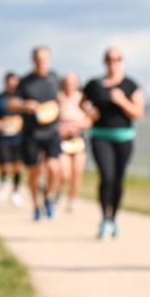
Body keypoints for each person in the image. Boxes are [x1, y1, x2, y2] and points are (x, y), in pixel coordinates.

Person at [81, 46, 143, 238]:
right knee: (106, 176)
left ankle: (113, 218)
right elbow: (81, 102)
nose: (113, 62)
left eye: (117, 59)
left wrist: (122, 101)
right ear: (104, 61)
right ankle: (104, 218)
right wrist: (89, 111)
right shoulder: (94, 84)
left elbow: (138, 113)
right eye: (110, 59)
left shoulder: (130, 85)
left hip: (124, 137)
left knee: (118, 179)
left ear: (122, 61)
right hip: (100, 136)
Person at [10, 46, 62, 221]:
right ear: (33, 60)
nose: (41, 61)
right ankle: (36, 205)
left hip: (52, 131)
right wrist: (26, 105)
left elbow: (63, 100)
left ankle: (48, 197)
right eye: (38, 58)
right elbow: (12, 103)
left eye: (44, 58)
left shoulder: (55, 79)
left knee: (54, 168)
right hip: (31, 132)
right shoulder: (25, 81)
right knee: (35, 171)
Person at [58, 72, 92, 213]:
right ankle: (58, 191)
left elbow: (90, 118)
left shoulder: (82, 99)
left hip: (78, 140)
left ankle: (71, 201)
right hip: (62, 140)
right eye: (67, 81)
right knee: (64, 173)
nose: (69, 84)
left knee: (76, 173)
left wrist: (78, 126)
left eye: (72, 82)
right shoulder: (58, 98)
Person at [0, 71, 25, 207]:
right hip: (4, 136)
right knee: (5, 165)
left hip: (19, 136)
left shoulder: (23, 98)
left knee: (18, 166)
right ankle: (3, 181)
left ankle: (16, 191)